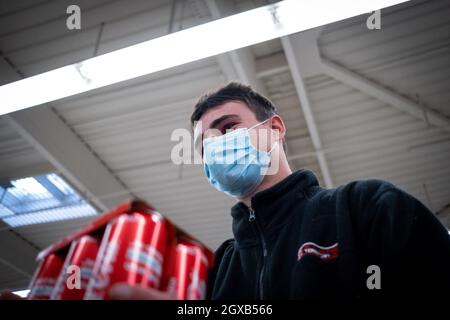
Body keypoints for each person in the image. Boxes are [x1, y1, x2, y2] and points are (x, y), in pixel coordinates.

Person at [2, 82, 449, 300]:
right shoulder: (220, 270)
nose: (216, 147)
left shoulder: (365, 207)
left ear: (274, 129)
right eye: (204, 145)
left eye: (228, 128)